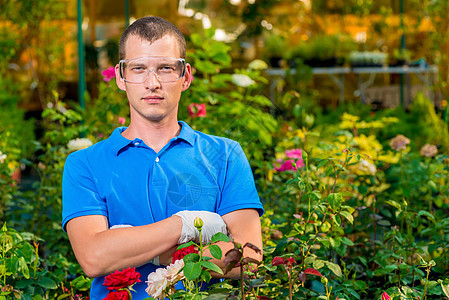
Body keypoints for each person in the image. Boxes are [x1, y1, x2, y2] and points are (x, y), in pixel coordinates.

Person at [62, 16, 264, 300]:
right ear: (121, 77)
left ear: (186, 76)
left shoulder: (226, 155)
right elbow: (94, 258)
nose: (152, 83)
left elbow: (248, 256)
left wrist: (132, 248)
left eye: (166, 68)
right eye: (139, 68)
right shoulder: (84, 164)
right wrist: (186, 224)